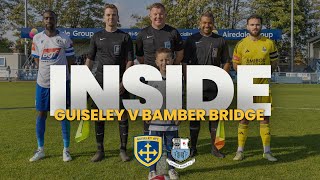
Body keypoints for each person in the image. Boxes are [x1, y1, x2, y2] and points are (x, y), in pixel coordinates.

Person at [85, 4, 134, 162]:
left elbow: (130, 61)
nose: (111, 17)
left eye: (113, 15)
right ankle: (100, 150)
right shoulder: (96, 36)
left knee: (122, 115)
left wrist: (124, 81)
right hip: (100, 81)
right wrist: (84, 79)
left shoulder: (125, 37)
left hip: (119, 81)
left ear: (118, 18)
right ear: (104, 17)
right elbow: (90, 60)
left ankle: (123, 150)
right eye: (108, 15)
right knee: (99, 116)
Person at [182, 11, 231, 158]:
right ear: (200, 23)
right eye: (204, 22)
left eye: (209, 22)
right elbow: (184, 61)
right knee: (195, 118)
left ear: (213, 23)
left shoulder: (220, 40)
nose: (206, 25)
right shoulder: (191, 39)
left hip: (214, 86)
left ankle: (215, 149)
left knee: (214, 118)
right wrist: (188, 78)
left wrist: (222, 78)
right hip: (195, 85)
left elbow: (227, 62)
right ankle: (193, 148)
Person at [29, 10, 75, 162]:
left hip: (60, 81)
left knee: (62, 115)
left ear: (56, 19)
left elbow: (71, 61)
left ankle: (66, 150)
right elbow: (36, 59)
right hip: (42, 83)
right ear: (43, 20)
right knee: (42, 114)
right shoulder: (37, 38)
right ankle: (40, 149)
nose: (49, 20)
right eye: (46, 18)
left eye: (52, 18)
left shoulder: (64, 38)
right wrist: (45, 70)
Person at [232, 14, 278, 162]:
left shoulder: (269, 43)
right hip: (247, 87)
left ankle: (267, 151)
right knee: (244, 119)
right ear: (247, 26)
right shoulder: (241, 44)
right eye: (252, 25)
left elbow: (274, 63)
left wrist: (264, 75)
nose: (255, 27)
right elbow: (235, 64)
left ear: (261, 26)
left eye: (257, 24)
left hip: (262, 86)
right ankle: (240, 151)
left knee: (264, 119)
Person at [135, 2, 184, 135]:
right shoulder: (142, 34)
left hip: (169, 78)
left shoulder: (173, 32)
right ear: (150, 16)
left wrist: (168, 69)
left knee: (171, 109)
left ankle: (171, 140)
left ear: (165, 15)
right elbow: (140, 57)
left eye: (161, 14)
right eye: (155, 14)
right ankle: (148, 139)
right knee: (149, 110)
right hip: (149, 78)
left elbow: (179, 54)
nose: (158, 17)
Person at [147, 48, 179, 180]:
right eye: (161, 60)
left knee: (172, 146)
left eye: (167, 59)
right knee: (153, 147)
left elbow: (180, 97)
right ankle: (152, 171)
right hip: (155, 121)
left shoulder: (177, 79)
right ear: (156, 61)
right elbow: (147, 98)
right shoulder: (151, 79)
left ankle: (172, 169)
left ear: (172, 60)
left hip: (171, 120)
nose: (164, 62)